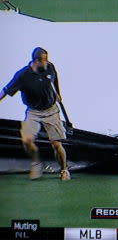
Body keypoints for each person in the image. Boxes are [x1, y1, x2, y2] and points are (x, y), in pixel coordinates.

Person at [0, 47, 71, 181]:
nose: (47, 63)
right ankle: (36, 163)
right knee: (27, 140)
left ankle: (64, 170)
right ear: (36, 61)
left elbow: (54, 79)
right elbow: (5, 91)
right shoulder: (22, 75)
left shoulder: (49, 67)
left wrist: (58, 93)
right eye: (44, 61)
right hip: (33, 112)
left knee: (56, 144)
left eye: (47, 60)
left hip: (51, 111)